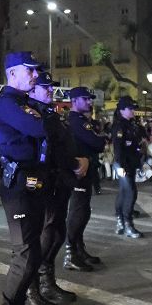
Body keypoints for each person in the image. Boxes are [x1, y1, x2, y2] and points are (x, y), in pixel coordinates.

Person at [0, 52, 86, 305]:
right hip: (18, 187)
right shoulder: (8, 103)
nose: (35, 76)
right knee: (25, 256)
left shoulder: (25, 104)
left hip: (34, 183)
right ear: (13, 74)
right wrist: (45, 117)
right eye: (29, 72)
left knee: (32, 253)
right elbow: (41, 130)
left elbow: (49, 129)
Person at [27, 71, 86, 305]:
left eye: (51, 86)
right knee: (44, 236)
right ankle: (33, 289)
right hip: (45, 182)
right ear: (32, 90)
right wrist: (75, 163)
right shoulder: (32, 114)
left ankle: (47, 282)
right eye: (44, 86)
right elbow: (50, 149)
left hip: (60, 181)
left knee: (56, 233)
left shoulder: (50, 113)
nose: (50, 90)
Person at [63, 87, 104, 271]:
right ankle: (70, 253)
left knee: (84, 211)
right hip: (79, 172)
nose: (89, 102)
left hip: (87, 171)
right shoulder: (75, 121)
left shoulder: (81, 121)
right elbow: (97, 142)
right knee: (78, 212)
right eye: (85, 99)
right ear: (75, 101)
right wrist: (99, 139)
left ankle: (79, 249)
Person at [111, 96, 144, 238]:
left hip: (129, 163)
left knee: (125, 191)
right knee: (130, 192)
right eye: (130, 108)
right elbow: (118, 148)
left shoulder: (130, 124)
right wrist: (121, 166)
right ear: (122, 110)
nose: (133, 111)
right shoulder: (120, 126)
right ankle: (127, 223)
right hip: (122, 164)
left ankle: (120, 222)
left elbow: (136, 144)